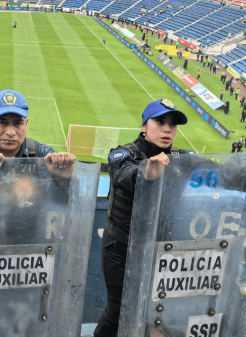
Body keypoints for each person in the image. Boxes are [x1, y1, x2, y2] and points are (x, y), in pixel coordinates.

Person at [94, 99, 191, 337]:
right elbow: (124, 176)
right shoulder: (121, 154)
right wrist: (148, 171)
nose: (168, 129)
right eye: (160, 121)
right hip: (120, 248)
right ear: (144, 126)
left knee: (155, 307)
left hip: (160, 249)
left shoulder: (182, 158)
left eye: (173, 124)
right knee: (118, 309)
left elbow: (218, 173)